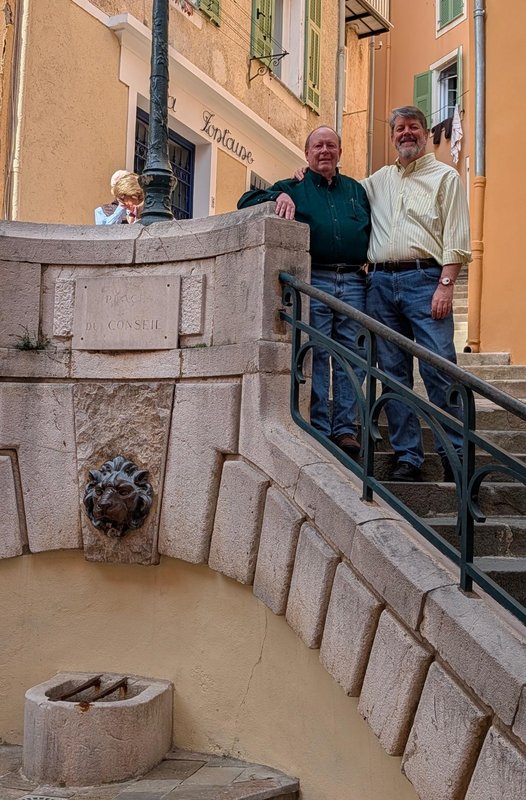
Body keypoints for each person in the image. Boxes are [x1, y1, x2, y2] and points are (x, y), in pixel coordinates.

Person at [237, 126, 370, 456]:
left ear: (340, 152)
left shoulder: (356, 190)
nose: (325, 151)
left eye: (331, 146)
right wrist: (275, 196)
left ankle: (345, 428)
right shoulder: (293, 186)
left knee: (351, 357)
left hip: (354, 281)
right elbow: (245, 201)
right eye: (318, 146)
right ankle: (321, 425)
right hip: (317, 280)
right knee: (317, 352)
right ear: (307, 153)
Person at [362, 105, 471, 481]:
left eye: (414, 127)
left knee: (439, 369)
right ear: (392, 136)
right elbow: (342, 195)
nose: (406, 133)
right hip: (379, 284)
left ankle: (456, 457)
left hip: (426, 282)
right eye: (400, 128)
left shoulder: (445, 177)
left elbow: (457, 237)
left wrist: (446, 284)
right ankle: (408, 456)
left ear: (425, 134)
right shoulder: (377, 181)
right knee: (392, 373)